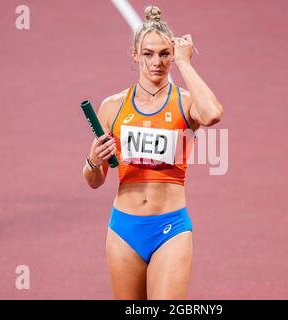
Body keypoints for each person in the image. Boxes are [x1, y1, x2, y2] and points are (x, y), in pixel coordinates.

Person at [82, 5, 223, 300]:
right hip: (123, 229)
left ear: (172, 54)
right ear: (135, 55)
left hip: (169, 227)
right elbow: (95, 181)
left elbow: (212, 114)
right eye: (148, 54)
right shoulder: (112, 107)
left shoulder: (185, 103)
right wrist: (93, 160)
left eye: (164, 54)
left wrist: (186, 64)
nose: (156, 62)